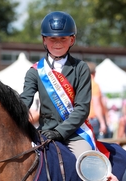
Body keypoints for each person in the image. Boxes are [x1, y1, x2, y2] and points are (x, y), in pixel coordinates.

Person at [20, 11, 93, 158]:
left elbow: (82, 108)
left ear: (72, 40)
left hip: (75, 134)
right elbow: (24, 102)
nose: (58, 43)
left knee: (86, 161)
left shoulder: (81, 68)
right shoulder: (35, 72)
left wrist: (60, 132)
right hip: (45, 132)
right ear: (44, 40)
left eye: (63, 38)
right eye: (52, 39)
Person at [86, 61, 110, 139]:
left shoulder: (81, 84)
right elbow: (96, 105)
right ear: (94, 72)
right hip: (94, 119)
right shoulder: (94, 84)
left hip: (85, 119)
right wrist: (103, 123)